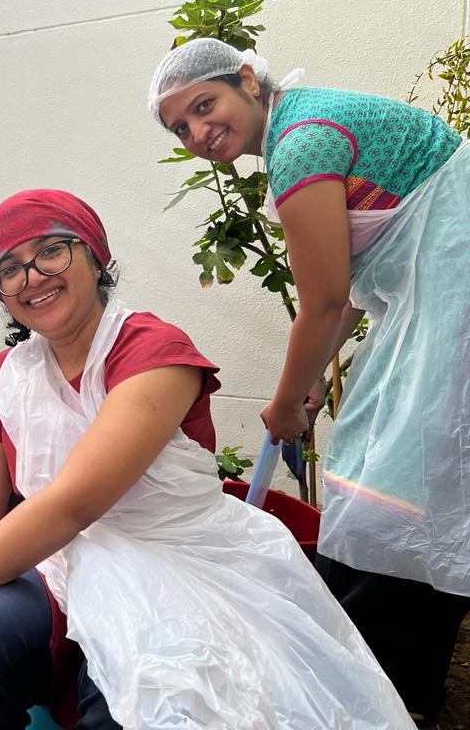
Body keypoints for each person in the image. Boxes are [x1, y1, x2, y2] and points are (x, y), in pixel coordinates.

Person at [0, 188, 414, 729]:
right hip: (62, 564)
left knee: (143, 688)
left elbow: (73, 503)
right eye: (9, 268)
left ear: (95, 255)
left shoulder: (154, 353)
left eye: (52, 250)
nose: (31, 276)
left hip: (178, 559)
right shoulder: (7, 377)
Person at [150, 37, 470, 727]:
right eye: (181, 127)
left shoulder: (300, 143)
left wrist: (283, 404)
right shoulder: (307, 122)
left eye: (204, 106)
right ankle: (391, 675)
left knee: (405, 490)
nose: (199, 132)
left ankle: (396, 692)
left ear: (246, 78)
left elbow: (321, 301)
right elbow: (350, 287)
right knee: (418, 483)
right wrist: (304, 388)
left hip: (457, 301)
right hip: (444, 296)